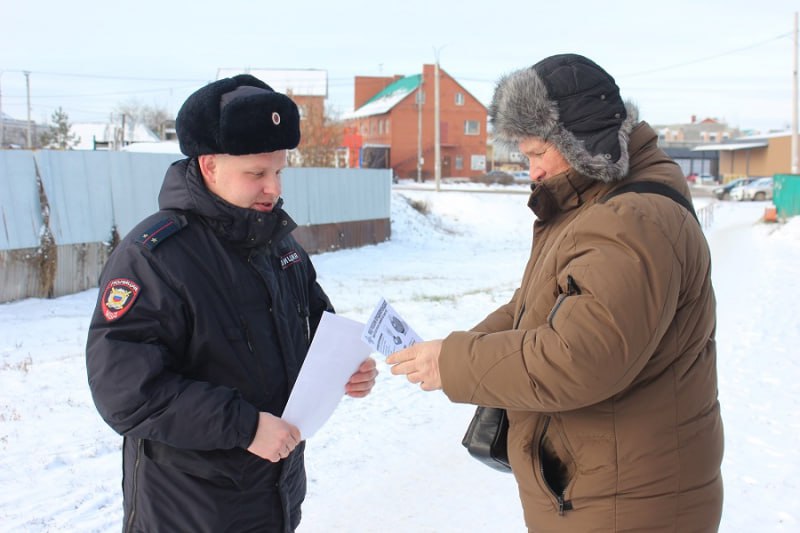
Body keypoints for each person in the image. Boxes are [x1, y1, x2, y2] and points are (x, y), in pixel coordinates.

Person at [387, 54, 723, 532]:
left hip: (627, 505)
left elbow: (579, 355)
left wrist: (456, 362)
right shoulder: (600, 205)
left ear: (581, 141)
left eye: (538, 153)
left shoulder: (632, 222)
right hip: (610, 491)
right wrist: (454, 349)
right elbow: (543, 305)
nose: (532, 172)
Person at [85, 74, 377, 533]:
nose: (273, 188)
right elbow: (125, 392)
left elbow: (318, 332)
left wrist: (347, 368)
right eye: (256, 174)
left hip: (274, 497)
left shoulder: (280, 246)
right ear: (208, 166)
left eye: (279, 171)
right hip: (189, 511)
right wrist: (245, 427)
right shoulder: (155, 257)